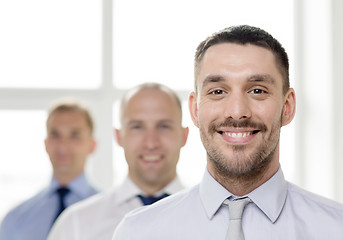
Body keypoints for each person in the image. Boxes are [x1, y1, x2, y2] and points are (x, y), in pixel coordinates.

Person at [112, 25, 343, 240]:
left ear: (288, 106)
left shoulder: (335, 228)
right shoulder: (138, 232)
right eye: (218, 91)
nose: (237, 111)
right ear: (194, 109)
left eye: (257, 90)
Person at [47, 82, 189, 240]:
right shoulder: (75, 225)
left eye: (164, 126)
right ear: (119, 136)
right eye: (137, 127)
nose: (151, 143)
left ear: (184, 135)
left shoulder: (215, 221)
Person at [0, 100, 98, 240]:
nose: (63, 145)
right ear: (46, 144)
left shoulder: (115, 215)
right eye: (55, 134)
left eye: (75, 135)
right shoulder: (15, 220)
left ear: (92, 145)